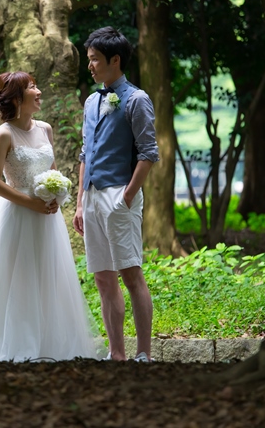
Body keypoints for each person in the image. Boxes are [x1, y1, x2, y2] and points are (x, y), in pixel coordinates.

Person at [0, 71, 100, 362]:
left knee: (47, 278)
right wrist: (30, 202)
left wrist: (56, 196)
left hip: (46, 217)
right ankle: (13, 346)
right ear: (16, 98)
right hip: (16, 215)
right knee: (15, 280)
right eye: (32, 87)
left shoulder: (45, 129)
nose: (38, 92)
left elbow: (53, 171)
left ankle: (48, 346)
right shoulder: (4, 133)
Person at [72, 26, 159, 362]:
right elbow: (85, 153)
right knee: (104, 280)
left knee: (131, 275)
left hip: (119, 195)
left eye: (95, 59)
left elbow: (148, 153)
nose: (90, 66)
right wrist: (80, 202)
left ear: (115, 60)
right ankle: (117, 354)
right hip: (92, 197)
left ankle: (143, 354)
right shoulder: (92, 101)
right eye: (89, 59)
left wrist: (127, 197)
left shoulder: (137, 99)